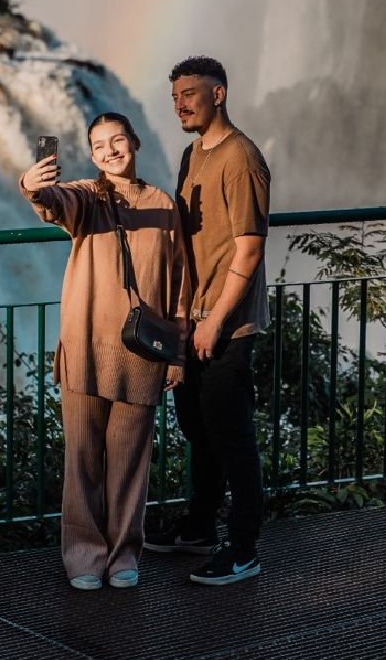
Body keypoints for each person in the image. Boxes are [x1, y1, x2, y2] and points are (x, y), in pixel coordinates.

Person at [19, 112, 189, 591]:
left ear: (134, 142)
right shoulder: (87, 198)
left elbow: (179, 282)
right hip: (87, 346)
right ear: (92, 156)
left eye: (117, 140)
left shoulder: (162, 203)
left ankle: (123, 555)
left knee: (131, 459)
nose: (110, 150)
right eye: (99, 146)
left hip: (143, 351)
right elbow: (53, 203)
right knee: (84, 459)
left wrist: (177, 352)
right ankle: (84, 556)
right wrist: (32, 186)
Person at [144, 55, 270, 586]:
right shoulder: (192, 154)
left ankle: (243, 549)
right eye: (175, 96)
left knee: (232, 437)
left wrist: (216, 320)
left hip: (226, 324)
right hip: (192, 320)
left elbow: (248, 249)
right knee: (198, 430)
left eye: (190, 93)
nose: (180, 104)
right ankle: (199, 527)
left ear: (219, 94)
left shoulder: (241, 159)